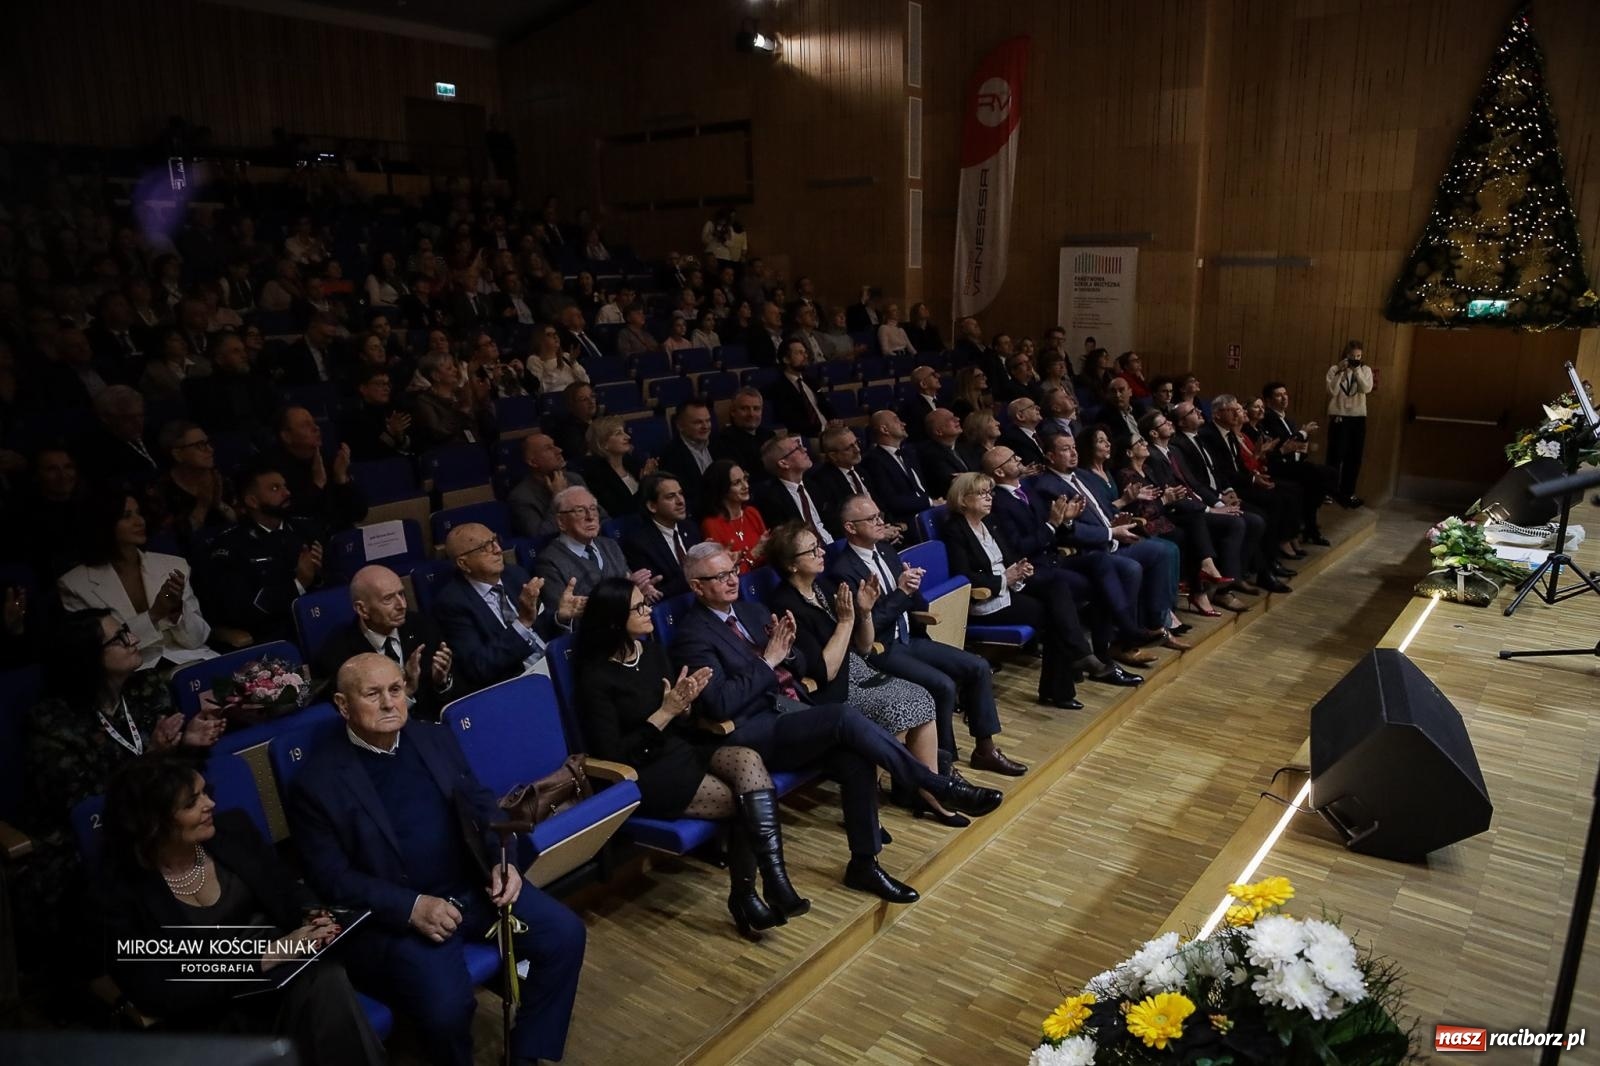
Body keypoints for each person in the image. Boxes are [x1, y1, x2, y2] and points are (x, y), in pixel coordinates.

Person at [287, 653, 586, 1066]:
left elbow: (484, 806)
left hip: (474, 887)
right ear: (342, 705)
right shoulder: (316, 782)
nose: (390, 703)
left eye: (396, 689)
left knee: (565, 935)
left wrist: (505, 861)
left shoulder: (434, 737)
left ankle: (526, 1053)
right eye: (373, 694)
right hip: (404, 917)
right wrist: (412, 908)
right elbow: (332, 878)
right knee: (447, 1010)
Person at [671, 545, 1003, 903]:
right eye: (719, 577)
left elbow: (800, 664)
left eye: (732, 571)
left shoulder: (751, 612)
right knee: (843, 715)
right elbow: (720, 704)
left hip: (790, 711)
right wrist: (767, 662)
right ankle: (933, 782)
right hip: (748, 731)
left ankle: (864, 863)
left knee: (855, 756)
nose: (732, 579)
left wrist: (788, 649)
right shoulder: (693, 635)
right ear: (697, 586)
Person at [99, 754, 385, 1066]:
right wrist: (260, 959)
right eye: (192, 802)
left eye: (207, 792)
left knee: (326, 978)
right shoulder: (117, 890)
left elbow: (288, 887)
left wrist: (312, 913)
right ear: (154, 823)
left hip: (286, 978)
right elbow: (154, 990)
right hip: (214, 1007)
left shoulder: (232, 830)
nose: (210, 804)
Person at [575, 577, 803, 936]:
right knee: (741, 800)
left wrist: (685, 705)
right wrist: (666, 712)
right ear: (615, 619)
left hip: (679, 745)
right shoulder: (595, 677)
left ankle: (775, 880)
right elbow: (615, 755)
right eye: (638, 608)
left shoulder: (648, 649)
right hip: (645, 770)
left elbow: (678, 710)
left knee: (747, 760)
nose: (648, 609)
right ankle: (747, 895)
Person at [20, 610, 224, 955]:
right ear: (87, 657)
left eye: (128, 631)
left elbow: (172, 777)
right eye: (119, 637)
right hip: (92, 835)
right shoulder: (51, 723)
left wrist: (188, 743)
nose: (133, 640)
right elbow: (83, 804)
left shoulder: (148, 688)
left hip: (162, 814)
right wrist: (151, 758)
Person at [764, 523, 961, 824]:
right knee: (898, 709)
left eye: (819, 546)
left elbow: (865, 646)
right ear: (791, 564)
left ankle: (927, 792)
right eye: (811, 550)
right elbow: (825, 671)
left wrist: (864, 611)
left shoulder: (824, 586)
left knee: (922, 697)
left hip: (858, 667)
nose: (821, 553)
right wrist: (845, 622)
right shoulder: (785, 606)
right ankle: (865, 809)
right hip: (828, 688)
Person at [828, 494, 1025, 776]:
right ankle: (944, 766)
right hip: (881, 649)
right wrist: (901, 593)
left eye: (878, 515)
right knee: (942, 685)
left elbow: (908, 600)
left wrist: (910, 590)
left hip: (911, 638)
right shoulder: (843, 572)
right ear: (850, 528)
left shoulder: (885, 551)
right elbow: (863, 628)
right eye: (871, 519)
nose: (880, 522)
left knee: (978, 666)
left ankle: (985, 749)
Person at [58, 492, 215, 671]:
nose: (139, 521)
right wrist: (154, 614)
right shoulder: (75, 584)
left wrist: (176, 611)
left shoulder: (173, 565)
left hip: (190, 662)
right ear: (104, 524)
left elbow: (197, 639)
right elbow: (98, 654)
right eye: (126, 516)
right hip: (132, 674)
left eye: (138, 513)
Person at [431, 522, 581, 689]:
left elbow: (539, 627)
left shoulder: (515, 575)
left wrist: (559, 616)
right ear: (463, 564)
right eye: (484, 547)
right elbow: (478, 667)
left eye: (495, 540)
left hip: (554, 664)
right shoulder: (452, 603)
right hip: (517, 684)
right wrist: (522, 623)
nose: (497, 549)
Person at [1073, 426, 1186, 644]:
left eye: (1107, 440)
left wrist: (1124, 509)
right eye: (1100, 441)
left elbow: (1107, 509)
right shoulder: (1085, 476)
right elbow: (1096, 511)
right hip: (1104, 541)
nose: (1107, 444)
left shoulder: (1107, 473)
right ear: (1088, 447)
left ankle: (1159, 619)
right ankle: (1152, 623)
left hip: (1118, 531)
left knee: (1167, 549)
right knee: (1161, 550)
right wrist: (1125, 503)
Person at [199, 465, 327, 644]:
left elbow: (333, 579)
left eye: (285, 486)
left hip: (318, 617)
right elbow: (240, 609)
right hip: (270, 632)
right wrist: (299, 583)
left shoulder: (306, 529)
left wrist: (319, 575)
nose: (286, 493)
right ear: (252, 501)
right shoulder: (231, 545)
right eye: (275, 488)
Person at [312, 564, 455, 721]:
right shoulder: (338, 654)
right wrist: (405, 693)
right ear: (362, 609)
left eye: (402, 594)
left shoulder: (422, 627)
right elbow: (355, 719)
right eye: (388, 599)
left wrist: (440, 683)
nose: (402, 605)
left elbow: (444, 703)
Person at [534, 486, 660, 608]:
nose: (590, 517)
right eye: (580, 511)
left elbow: (632, 588)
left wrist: (643, 593)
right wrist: (626, 592)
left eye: (593, 509)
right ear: (561, 522)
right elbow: (564, 617)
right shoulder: (549, 562)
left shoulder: (610, 545)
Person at [260, 406, 368, 532]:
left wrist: (341, 479)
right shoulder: (272, 472)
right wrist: (317, 484)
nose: (316, 428)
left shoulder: (327, 458)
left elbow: (359, 513)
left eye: (314, 423)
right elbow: (291, 520)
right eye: (305, 425)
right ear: (286, 436)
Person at [145, 420, 239, 556]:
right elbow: (173, 541)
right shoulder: (160, 490)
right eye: (200, 445)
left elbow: (241, 521)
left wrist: (218, 504)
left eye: (208, 443)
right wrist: (202, 506)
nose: (210, 450)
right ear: (178, 454)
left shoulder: (219, 477)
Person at [1259, 380, 1332, 545]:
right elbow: (1285, 444)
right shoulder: (1269, 419)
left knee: (1323, 476)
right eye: (1279, 395)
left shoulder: (1289, 420)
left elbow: (1294, 446)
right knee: (1316, 478)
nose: (1284, 398)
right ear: (1269, 401)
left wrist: (1302, 448)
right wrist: (1302, 433)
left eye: (1285, 394)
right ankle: (1310, 525)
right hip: (1279, 466)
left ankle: (1310, 525)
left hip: (1292, 462)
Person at [621, 473, 702, 600]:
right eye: (671, 497)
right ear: (652, 506)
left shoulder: (690, 527)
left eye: (680, 493)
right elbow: (657, 592)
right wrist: (699, 572)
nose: (681, 501)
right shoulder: (638, 544)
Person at [509, 432, 605, 537]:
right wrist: (558, 497)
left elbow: (603, 517)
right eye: (548, 448)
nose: (559, 450)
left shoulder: (574, 478)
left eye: (554, 445)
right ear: (533, 462)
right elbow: (541, 536)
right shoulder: (522, 497)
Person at [860, 410, 935, 526]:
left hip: (928, 511)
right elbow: (891, 501)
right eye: (896, 420)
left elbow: (922, 487)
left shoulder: (909, 453)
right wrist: (929, 502)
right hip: (907, 520)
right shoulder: (873, 460)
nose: (903, 424)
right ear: (884, 430)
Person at [1324, 340, 1373, 508]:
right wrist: (1340, 371)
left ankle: (1348, 492)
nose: (1355, 359)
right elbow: (1332, 391)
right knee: (1335, 455)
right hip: (1339, 416)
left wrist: (1357, 370)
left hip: (1358, 418)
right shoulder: (1334, 369)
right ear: (1345, 355)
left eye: (1358, 356)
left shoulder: (1365, 370)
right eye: (1352, 356)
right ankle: (1329, 491)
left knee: (1354, 457)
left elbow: (1366, 389)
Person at [412, 352, 495, 448]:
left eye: (454, 366)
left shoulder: (461, 393)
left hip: (475, 449)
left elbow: (489, 429)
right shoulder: (425, 401)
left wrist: (482, 401)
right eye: (449, 368)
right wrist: (462, 410)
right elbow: (440, 432)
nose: (455, 370)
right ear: (436, 376)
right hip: (448, 455)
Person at [580, 415, 655, 520]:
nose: (627, 437)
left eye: (624, 431)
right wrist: (644, 483)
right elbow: (620, 511)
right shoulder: (596, 476)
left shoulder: (633, 463)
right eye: (618, 433)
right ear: (603, 443)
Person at [699, 460, 767, 573]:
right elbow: (723, 573)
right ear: (722, 489)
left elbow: (767, 553)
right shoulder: (711, 525)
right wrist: (753, 554)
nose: (746, 486)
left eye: (745, 479)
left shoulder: (751, 513)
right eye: (737, 483)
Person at [658, 400, 716, 514]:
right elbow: (684, 500)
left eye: (708, 421)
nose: (705, 426)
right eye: (698, 422)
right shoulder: (671, 455)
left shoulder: (718, 444)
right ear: (680, 426)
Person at [711, 387, 773, 479]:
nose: (751, 414)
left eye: (756, 409)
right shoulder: (724, 441)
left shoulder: (769, 435)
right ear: (733, 412)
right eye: (744, 408)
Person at [918, 408, 972, 500]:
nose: (957, 419)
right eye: (950, 419)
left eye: (954, 416)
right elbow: (952, 482)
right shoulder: (930, 454)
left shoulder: (965, 447)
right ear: (938, 432)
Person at [527, 323, 590, 395]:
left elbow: (586, 381)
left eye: (555, 334)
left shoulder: (566, 356)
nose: (555, 336)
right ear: (539, 340)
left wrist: (573, 363)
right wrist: (557, 369)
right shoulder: (534, 360)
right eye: (549, 335)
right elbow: (541, 389)